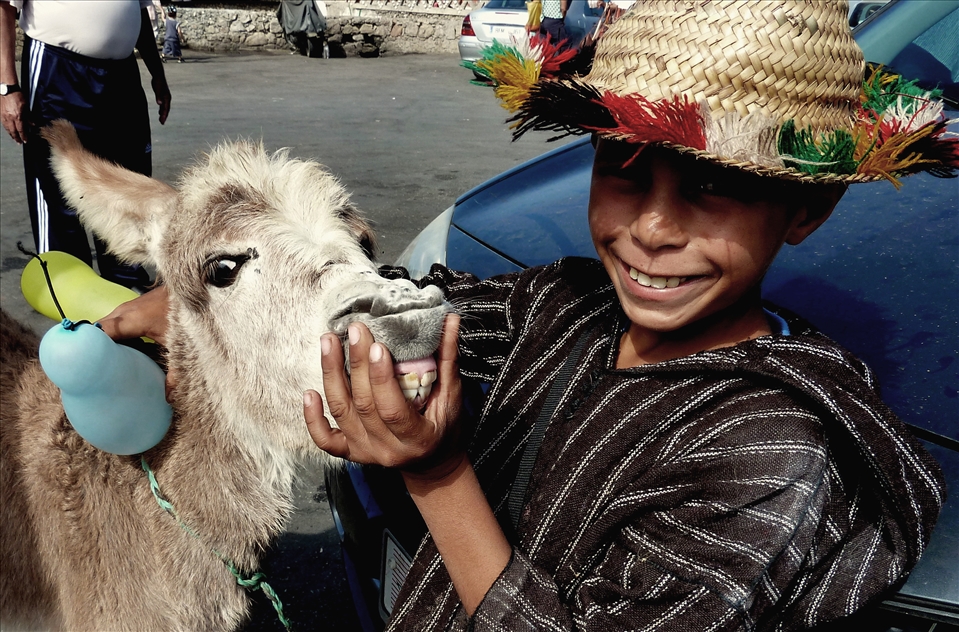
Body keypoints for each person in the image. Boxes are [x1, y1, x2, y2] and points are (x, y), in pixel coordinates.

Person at [99, 1, 956, 630]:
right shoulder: (566, 304)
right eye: (622, 169)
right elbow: (418, 300)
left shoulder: (768, 456)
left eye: (713, 186)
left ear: (805, 210)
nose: (653, 229)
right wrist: (204, 299)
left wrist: (435, 473)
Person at [0, 0, 171, 289]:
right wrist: (7, 87)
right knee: (61, 191)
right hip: (59, 70)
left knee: (127, 184)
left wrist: (157, 73)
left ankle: (125, 293)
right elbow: (5, 7)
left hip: (122, 74)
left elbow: (139, 10)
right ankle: (68, 292)